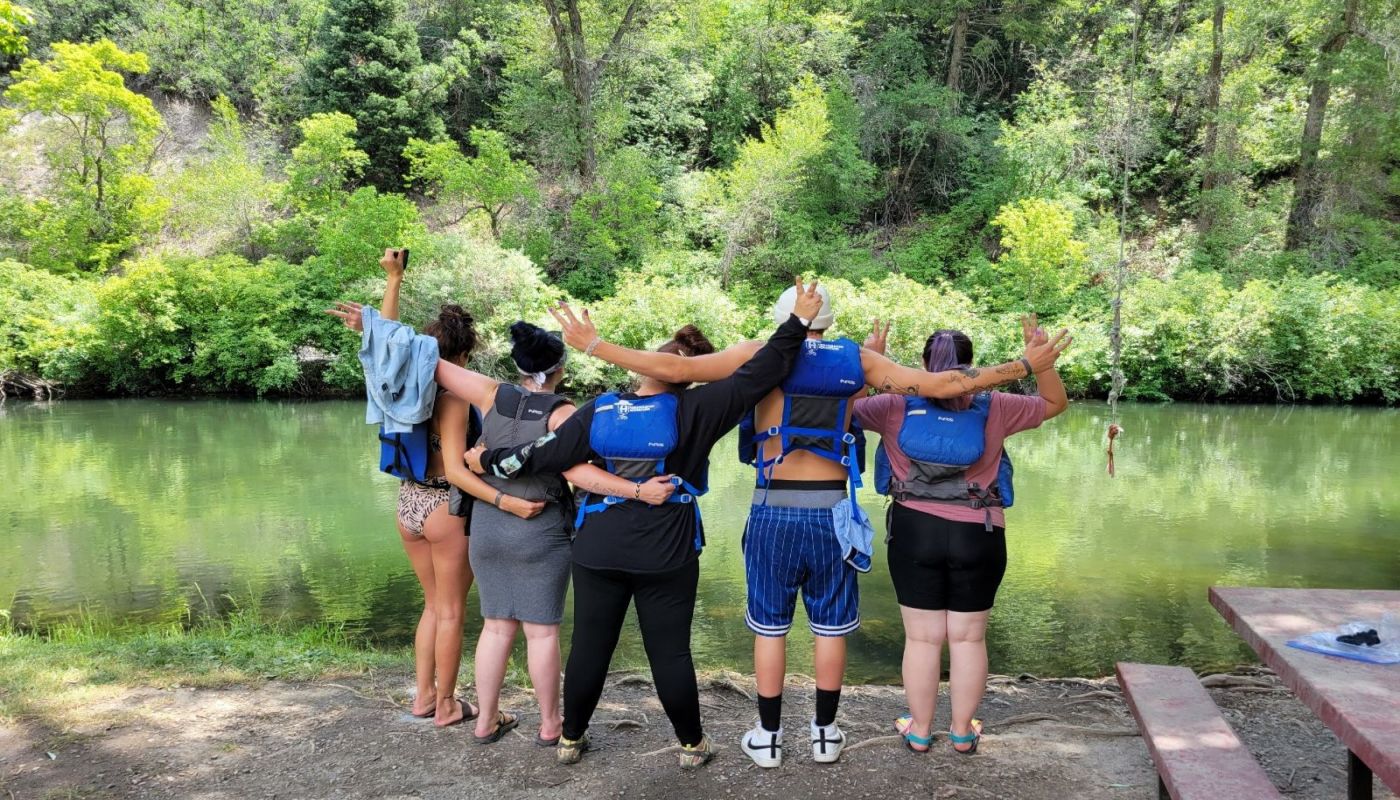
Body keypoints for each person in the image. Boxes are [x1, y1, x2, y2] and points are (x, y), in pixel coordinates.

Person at [545, 287, 1070, 767]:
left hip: (773, 506)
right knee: (829, 627)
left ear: (784, 320)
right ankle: (825, 735)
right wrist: (1025, 364)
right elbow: (943, 383)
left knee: (770, 627)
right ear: (830, 324)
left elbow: (675, 369)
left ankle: (768, 738)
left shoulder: (760, 354)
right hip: (832, 512)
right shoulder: (859, 361)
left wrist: (596, 346)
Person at [465, 279, 827, 770]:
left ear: (644, 368)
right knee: (670, 653)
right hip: (667, 551)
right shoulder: (698, 409)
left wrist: (487, 460)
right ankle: (692, 746)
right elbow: (763, 370)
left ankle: (570, 738)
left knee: (590, 647)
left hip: (597, 548)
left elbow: (540, 457)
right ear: (686, 376)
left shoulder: (598, 409)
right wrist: (799, 320)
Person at [432, 320, 678, 745]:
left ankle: (485, 721)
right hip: (539, 526)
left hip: (487, 522)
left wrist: (376, 328)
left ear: (518, 365)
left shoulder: (489, 393)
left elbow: (430, 361)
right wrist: (636, 490)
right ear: (561, 367)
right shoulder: (564, 413)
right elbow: (577, 473)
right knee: (541, 631)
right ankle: (550, 725)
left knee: (495, 626)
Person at [857, 315, 1069, 754]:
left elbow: (847, 409)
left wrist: (871, 360)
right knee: (968, 637)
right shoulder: (998, 405)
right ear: (972, 366)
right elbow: (1054, 403)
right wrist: (1042, 362)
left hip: (914, 531)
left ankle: (919, 730)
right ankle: (961, 732)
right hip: (979, 530)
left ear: (923, 365)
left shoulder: (893, 405)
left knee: (922, 638)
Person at [324, 248, 499, 728]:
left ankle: (424, 697)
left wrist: (394, 280)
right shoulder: (454, 400)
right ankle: (447, 705)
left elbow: (387, 339)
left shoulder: (401, 385)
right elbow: (457, 469)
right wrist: (505, 499)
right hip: (445, 507)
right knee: (452, 612)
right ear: (463, 357)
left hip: (408, 503)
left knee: (433, 606)